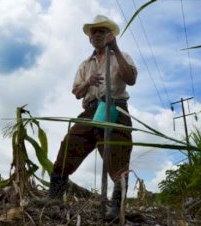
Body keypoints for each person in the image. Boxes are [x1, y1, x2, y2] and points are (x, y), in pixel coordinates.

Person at [47, 15, 138, 221]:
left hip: (116, 109)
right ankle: (54, 198)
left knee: (118, 152)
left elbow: (130, 79)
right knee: (70, 144)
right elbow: (77, 93)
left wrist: (115, 49)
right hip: (91, 110)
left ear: (110, 35)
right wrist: (88, 82)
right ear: (90, 39)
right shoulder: (85, 64)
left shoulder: (121, 56)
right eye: (94, 32)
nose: (97, 35)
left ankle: (116, 208)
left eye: (102, 31)